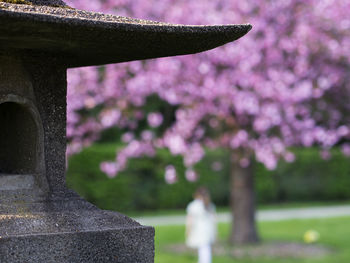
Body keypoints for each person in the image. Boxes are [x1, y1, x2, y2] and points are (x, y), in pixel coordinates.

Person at [186, 187, 217, 263]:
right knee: (205, 250)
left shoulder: (193, 205)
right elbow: (214, 219)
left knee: (203, 251)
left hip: (198, 230)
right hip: (208, 230)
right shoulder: (210, 205)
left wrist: (188, 231)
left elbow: (190, 220)